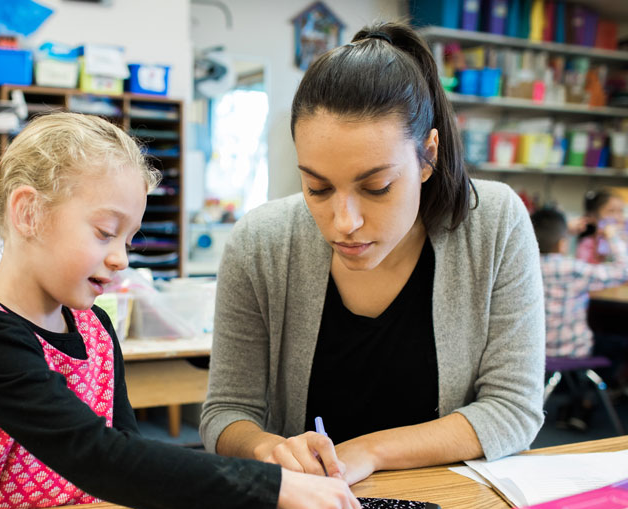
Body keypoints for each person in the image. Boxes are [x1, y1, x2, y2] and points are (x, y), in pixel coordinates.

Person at [0, 112, 368, 509]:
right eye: (104, 232)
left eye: (128, 239)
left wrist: (190, 499)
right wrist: (273, 488)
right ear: (29, 213)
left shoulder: (95, 327)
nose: (121, 258)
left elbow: (128, 446)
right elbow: (96, 453)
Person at [200, 22, 546, 484]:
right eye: (318, 188)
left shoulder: (493, 221)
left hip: (454, 506)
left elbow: (514, 410)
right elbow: (226, 412)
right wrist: (272, 449)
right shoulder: (261, 242)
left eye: (377, 187)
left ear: (428, 155)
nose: (344, 222)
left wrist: (369, 452)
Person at [533, 206, 628, 428]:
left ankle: (575, 405)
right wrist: (613, 236)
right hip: (571, 351)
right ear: (563, 242)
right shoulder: (573, 269)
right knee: (618, 342)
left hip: (535, 350)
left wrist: (564, 234)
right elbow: (624, 270)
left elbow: (549, 243)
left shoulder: (524, 263)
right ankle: (584, 403)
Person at [576, 189, 627, 265]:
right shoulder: (587, 245)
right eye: (611, 211)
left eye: (621, 211)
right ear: (593, 217)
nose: (617, 217)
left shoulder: (625, 242)